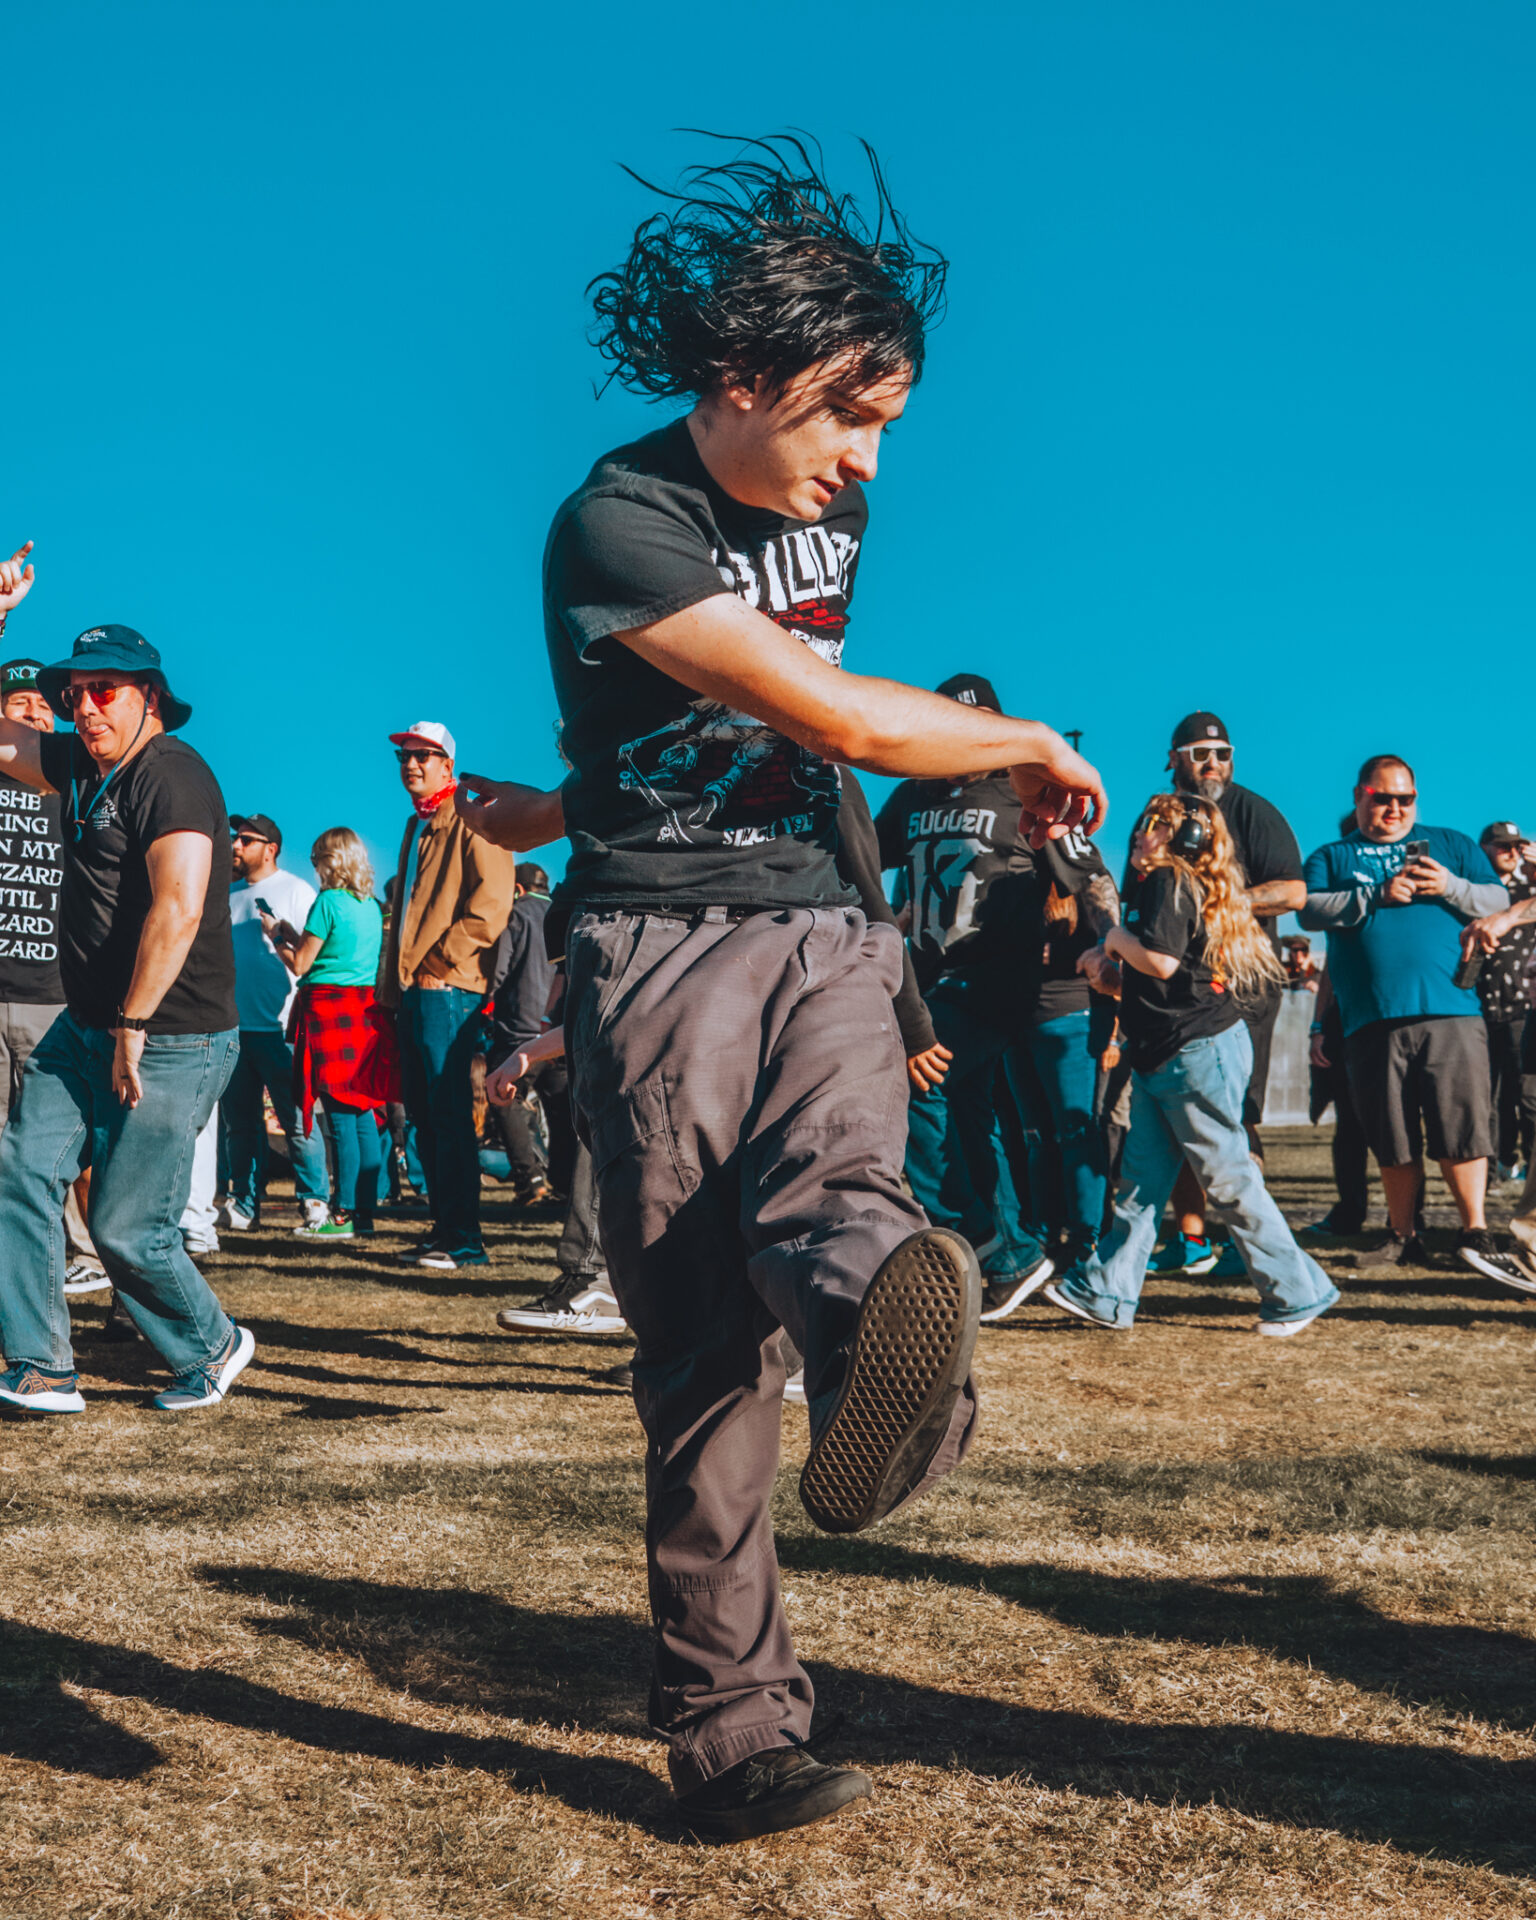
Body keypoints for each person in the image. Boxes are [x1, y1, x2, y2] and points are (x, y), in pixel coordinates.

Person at [454, 137, 1106, 1839]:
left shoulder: (834, 508)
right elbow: (827, 715)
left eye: (885, 423)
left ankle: (895, 1374)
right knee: (701, 1355)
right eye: (846, 415)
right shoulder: (618, 519)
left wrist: (564, 800)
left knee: (844, 1189)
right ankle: (736, 1732)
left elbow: (781, 725)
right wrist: (1025, 738)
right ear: (740, 377)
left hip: (826, 922)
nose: (866, 460)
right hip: (658, 948)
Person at [0, 608, 252, 1415]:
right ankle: (42, 1368)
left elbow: (178, 908)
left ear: (150, 695)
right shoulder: (77, 763)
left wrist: (133, 1025)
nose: (84, 707)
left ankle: (212, 1346)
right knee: (18, 1171)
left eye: (103, 689)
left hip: (173, 1035)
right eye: (73, 693)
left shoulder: (173, 774)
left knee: (125, 1229)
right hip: (86, 1024)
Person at [1045, 793, 1338, 1335]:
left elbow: (1159, 961)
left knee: (1228, 1181)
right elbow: (1162, 977)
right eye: (1144, 820)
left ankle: (1299, 1293)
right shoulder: (1159, 886)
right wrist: (1110, 971)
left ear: (1186, 839)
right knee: (1140, 1184)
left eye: (1157, 824)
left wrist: (1112, 940)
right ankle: (1106, 1292)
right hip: (1165, 1053)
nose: (1142, 831)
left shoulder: (1169, 879)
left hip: (1196, 1054)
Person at [875, 673, 1118, 1314]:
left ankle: (986, 1238)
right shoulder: (913, 792)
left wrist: (1112, 945)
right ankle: (1008, 1251)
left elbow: (1091, 876)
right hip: (932, 979)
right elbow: (863, 859)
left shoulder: (1022, 790)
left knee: (910, 1076)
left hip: (996, 976)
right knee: (967, 1113)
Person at [1299, 755, 1531, 1290]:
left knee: (1462, 1128)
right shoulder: (1332, 855)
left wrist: (1449, 885)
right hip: (1371, 1018)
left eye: (1405, 799)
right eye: (1382, 798)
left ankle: (1475, 1232)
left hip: (1451, 1010)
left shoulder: (1452, 845)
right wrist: (1373, 896)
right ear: (1360, 795)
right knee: (1392, 1134)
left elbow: (1497, 899)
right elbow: (1309, 910)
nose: (1394, 808)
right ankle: (1403, 1234)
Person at [1145, 712, 1307, 1279]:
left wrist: (1218, 902)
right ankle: (1191, 1239)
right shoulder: (1159, 816)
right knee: (1177, 1114)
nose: (1213, 763)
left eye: (1223, 753)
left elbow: (1293, 892)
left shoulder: (1252, 812)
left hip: (1241, 983)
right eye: (1200, 753)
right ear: (1174, 759)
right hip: (1173, 987)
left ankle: (1247, 1246)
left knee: (1236, 1115)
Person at [378, 719, 517, 1271]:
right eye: (404, 756)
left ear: (447, 765)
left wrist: (440, 964)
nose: (410, 764)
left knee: (449, 1114)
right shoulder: (417, 824)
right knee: (423, 1114)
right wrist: (393, 987)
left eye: (423, 755)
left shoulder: (472, 815)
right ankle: (444, 1231)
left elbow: (492, 904)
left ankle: (463, 1240)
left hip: (448, 987)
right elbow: (406, 916)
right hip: (415, 990)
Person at [0, 644, 108, 1298]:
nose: (38, 715)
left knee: (79, 1147)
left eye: (47, 706)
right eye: (21, 704)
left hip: (59, 997)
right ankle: (21, 1282)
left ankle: (99, 1260)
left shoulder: (76, 784)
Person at [269, 828, 390, 1238]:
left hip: (328, 1010)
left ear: (330, 861)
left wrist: (276, 937)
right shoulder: (370, 905)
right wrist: (293, 933)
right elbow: (330, 950)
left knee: (339, 1116)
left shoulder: (327, 902)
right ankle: (364, 1213)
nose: (314, 867)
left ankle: (342, 1215)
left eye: (317, 859)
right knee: (362, 1111)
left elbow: (301, 964)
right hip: (363, 1010)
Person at [220, 811, 330, 1231]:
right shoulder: (228, 894)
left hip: (282, 1029)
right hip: (233, 1027)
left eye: (246, 839)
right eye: (236, 837)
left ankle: (314, 1199)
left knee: (297, 1119)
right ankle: (244, 1204)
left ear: (271, 849)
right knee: (240, 1125)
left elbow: (312, 956)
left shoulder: (296, 891)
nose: (236, 844)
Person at [485, 860, 569, 1206]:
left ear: (518, 889)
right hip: (561, 1029)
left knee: (505, 1098)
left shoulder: (516, 914)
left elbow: (497, 972)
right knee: (561, 1109)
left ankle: (529, 1178)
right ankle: (564, 1185)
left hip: (518, 1031)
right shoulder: (564, 914)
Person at [1468, 823, 1536, 1183]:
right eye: (1502, 846)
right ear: (1484, 849)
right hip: (1476, 1009)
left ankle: (1531, 1171)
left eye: (1517, 847)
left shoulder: (1529, 892)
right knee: (1486, 1098)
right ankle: (1494, 1169)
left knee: (1526, 1094)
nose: (1511, 852)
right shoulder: (1473, 894)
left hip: (1521, 1009)